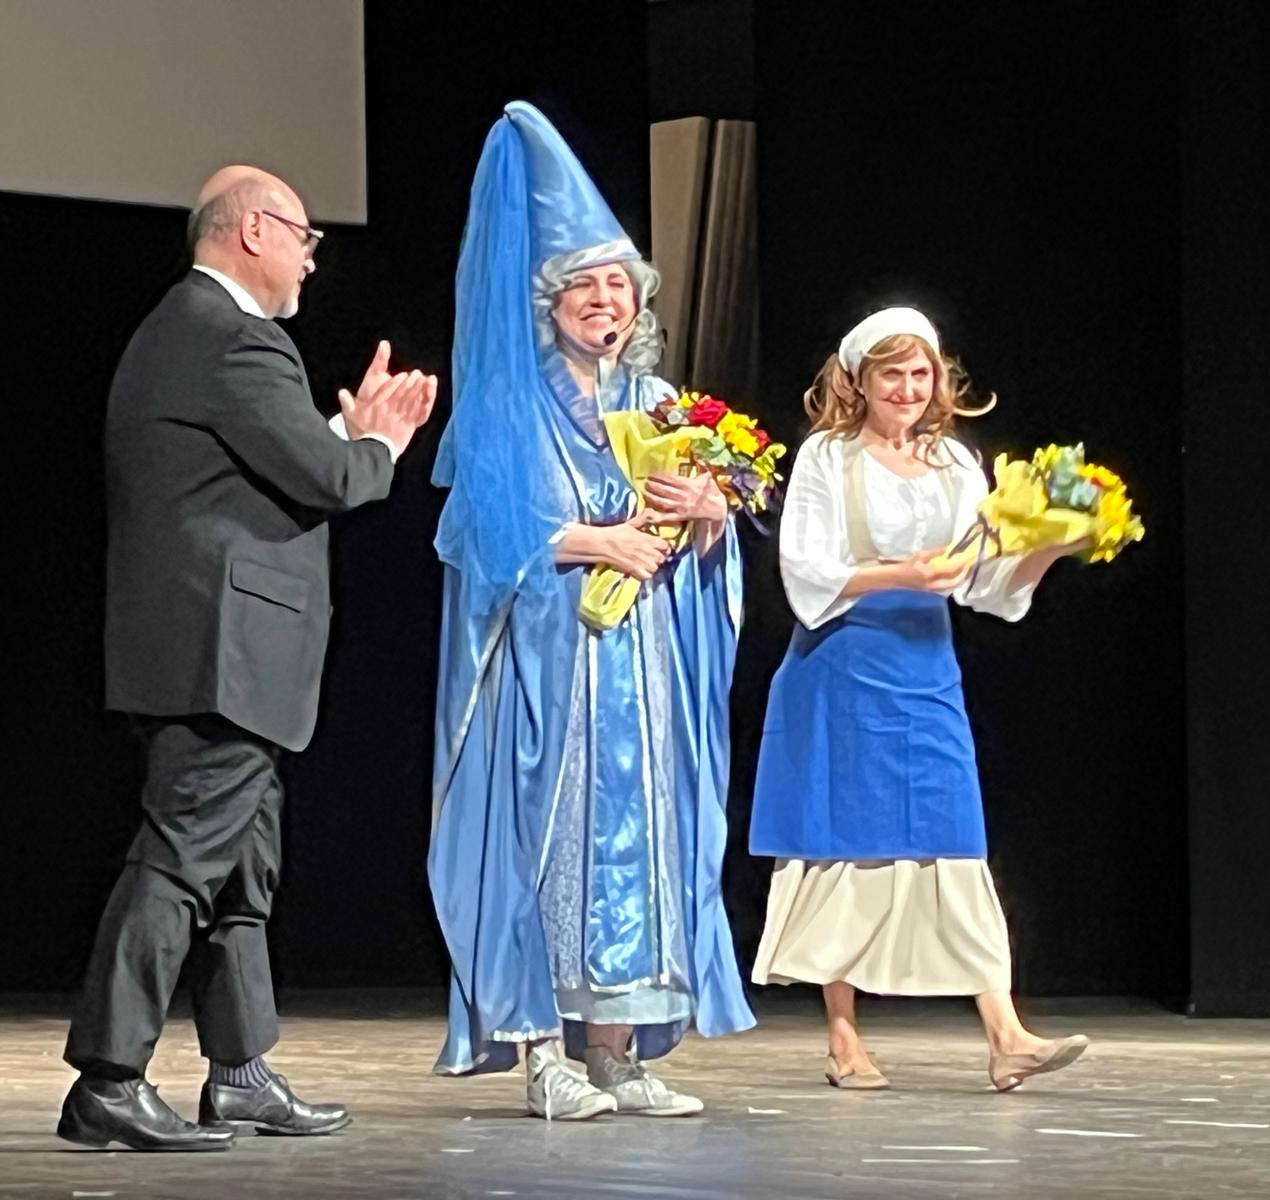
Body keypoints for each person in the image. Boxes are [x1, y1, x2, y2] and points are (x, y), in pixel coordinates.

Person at [58, 165, 437, 1151]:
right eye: (305, 238)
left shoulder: (187, 331)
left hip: (206, 651)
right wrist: (378, 442)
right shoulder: (236, 337)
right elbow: (329, 479)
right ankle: (108, 1077)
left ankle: (240, 1074)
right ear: (256, 232)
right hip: (218, 654)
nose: (311, 259)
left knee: (238, 877)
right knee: (182, 861)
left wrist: (346, 432)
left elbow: (272, 464)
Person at [427, 103, 754, 1121]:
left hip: (642, 668)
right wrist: (595, 543)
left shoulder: (658, 403)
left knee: (640, 837)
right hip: (550, 657)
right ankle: (541, 1056)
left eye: (618, 284)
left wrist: (709, 516)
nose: (604, 301)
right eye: (584, 285)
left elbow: (704, 537)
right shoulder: (510, 403)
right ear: (549, 300)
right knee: (545, 837)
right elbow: (482, 534)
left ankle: (615, 1051)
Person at [749, 306, 1089, 1093]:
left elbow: (987, 585)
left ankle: (1006, 1036)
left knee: (954, 839)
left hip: (925, 666)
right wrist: (903, 573)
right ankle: (843, 1040)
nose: (907, 388)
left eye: (920, 373)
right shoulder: (829, 457)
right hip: (841, 662)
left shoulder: (955, 464)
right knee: (843, 845)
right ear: (858, 381)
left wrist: (1049, 549)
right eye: (891, 374)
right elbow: (806, 571)